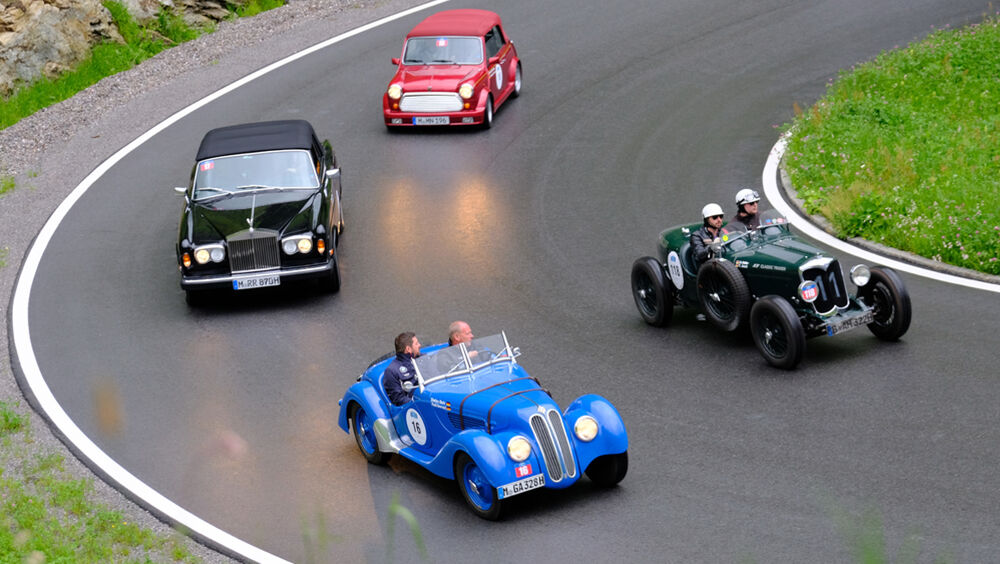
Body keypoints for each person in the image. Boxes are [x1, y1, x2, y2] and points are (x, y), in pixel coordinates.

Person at [383, 332, 422, 406]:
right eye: (416, 344)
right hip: (413, 408)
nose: (420, 345)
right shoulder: (391, 371)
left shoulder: (423, 359)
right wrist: (419, 403)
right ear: (408, 349)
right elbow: (398, 399)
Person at [691, 203, 726, 268]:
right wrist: (711, 247)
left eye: (721, 216)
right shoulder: (697, 236)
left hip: (725, 264)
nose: (719, 220)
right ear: (707, 220)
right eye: (715, 217)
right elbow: (699, 255)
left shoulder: (723, 232)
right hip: (708, 269)